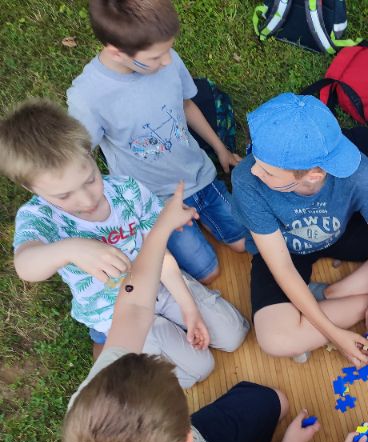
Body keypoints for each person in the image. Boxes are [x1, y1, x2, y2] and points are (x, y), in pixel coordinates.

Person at [61, 186, 332, 442]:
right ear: (187, 436)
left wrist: (160, 228)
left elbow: (133, 306)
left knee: (274, 400)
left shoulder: (96, 400)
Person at [1, 99, 247, 386]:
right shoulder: (39, 217)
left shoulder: (127, 190)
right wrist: (70, 248)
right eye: (64, 196)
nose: (87, 200)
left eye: (90, 179)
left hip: (161, 286)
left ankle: (156, 334)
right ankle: (117, 348)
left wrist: (189, 309)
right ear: (30, 187)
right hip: (118, 314)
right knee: (199, 368)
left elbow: (160, 253)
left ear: (90, 153)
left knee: (233, 334)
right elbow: (26, 265)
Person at [230, 94, 368, 367]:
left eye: (269, 172)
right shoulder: (247, 179)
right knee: (275, 340)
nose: (254, 171)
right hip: (285, 247)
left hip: (343, 228)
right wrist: (335, 334)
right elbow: (283, 268)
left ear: (313, 175)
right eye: (255, 156)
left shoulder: (362, 176)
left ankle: (332, 295)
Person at [67, 0, 247, 286]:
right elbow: (79, 160)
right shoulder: (88, 97)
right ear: (117, 51)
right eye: (155, 57)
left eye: (168, 50)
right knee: (207, 272)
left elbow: (187, 105)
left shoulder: (166, 58)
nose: (167, 62)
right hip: (156, 202)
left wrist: (220, 148)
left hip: (199, 176)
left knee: (243, 242)